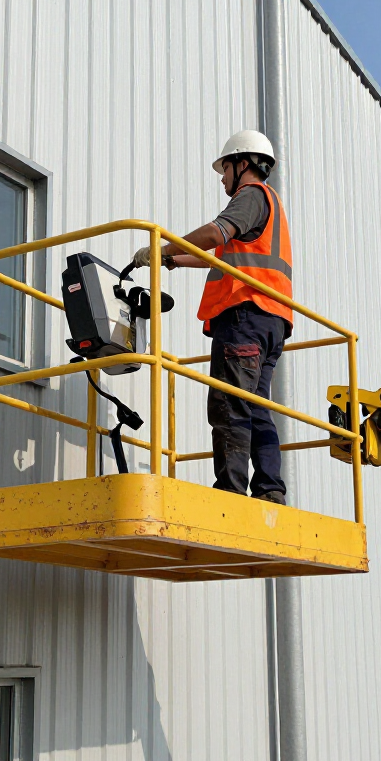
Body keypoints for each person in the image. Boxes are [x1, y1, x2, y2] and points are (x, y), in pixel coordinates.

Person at [131, 130, 293, 504]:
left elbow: (215, 233)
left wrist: (160, 245)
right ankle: (270, 490)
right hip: (270, 321)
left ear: (244, 164)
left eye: (225, 168)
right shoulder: (271, 209)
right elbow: (213, 256)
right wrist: (170, 258)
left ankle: (231, 495)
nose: (222, 177)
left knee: (229, 405)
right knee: (255, 408)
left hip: (243, 317)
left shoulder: (250, 196)